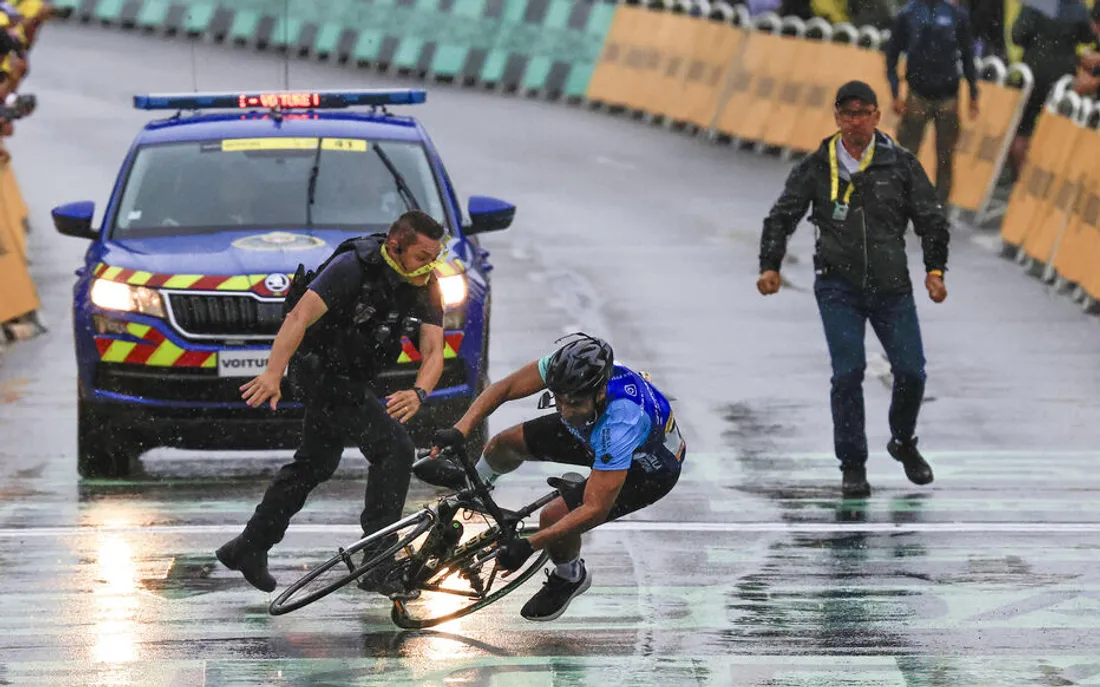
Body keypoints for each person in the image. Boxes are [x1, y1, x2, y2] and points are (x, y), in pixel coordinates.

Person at [215, 210, 448, 592]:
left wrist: (419, 391)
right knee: (395, 449)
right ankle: (378, 559)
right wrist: (273, 373)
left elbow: (434, 349)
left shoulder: (425, 282)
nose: (429, 267)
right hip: (318, 371)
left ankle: (249, 545)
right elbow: (297, 320)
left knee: (315, 463)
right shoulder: (352, 267)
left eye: (435, 258)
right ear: (395, 247)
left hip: (354, 377)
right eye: (422, 257)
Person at [756, 80, 951, 499]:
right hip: (837, 286)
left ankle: (902, 441)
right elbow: (781, 217)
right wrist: (769, 266)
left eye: (863, 113)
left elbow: (931, 219)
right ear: (837, 117)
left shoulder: (900, 164)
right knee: (848, 374)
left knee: (912, 371)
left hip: (891, 286)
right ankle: (853, 464)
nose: (855, 121)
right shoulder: (816, 166)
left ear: (878, 116)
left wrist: (935, 270)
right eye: (847, 113)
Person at [413, 333, 685, 622]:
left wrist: (529, 545)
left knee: (554, 518)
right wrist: (460, 429)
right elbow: (505, 388)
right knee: (504, 444)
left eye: (575, 403)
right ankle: (469, 492)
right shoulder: (569, 372)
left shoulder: (622, 422)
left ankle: (570, 576)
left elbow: (594, 509)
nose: (565, 412)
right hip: (593, 430)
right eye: (559, 400)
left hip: (647, 468)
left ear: (600, 393)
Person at [886, 0, 981, 206]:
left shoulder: (957, 15)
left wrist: (973, 93)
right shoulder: (909, 13)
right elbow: (892, 54)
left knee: (945, 156)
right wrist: (895, 92)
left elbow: (967, 56)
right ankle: (898, 203)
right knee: (906, 153)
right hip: (917, 95)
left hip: (948, 96)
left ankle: (940, 206)